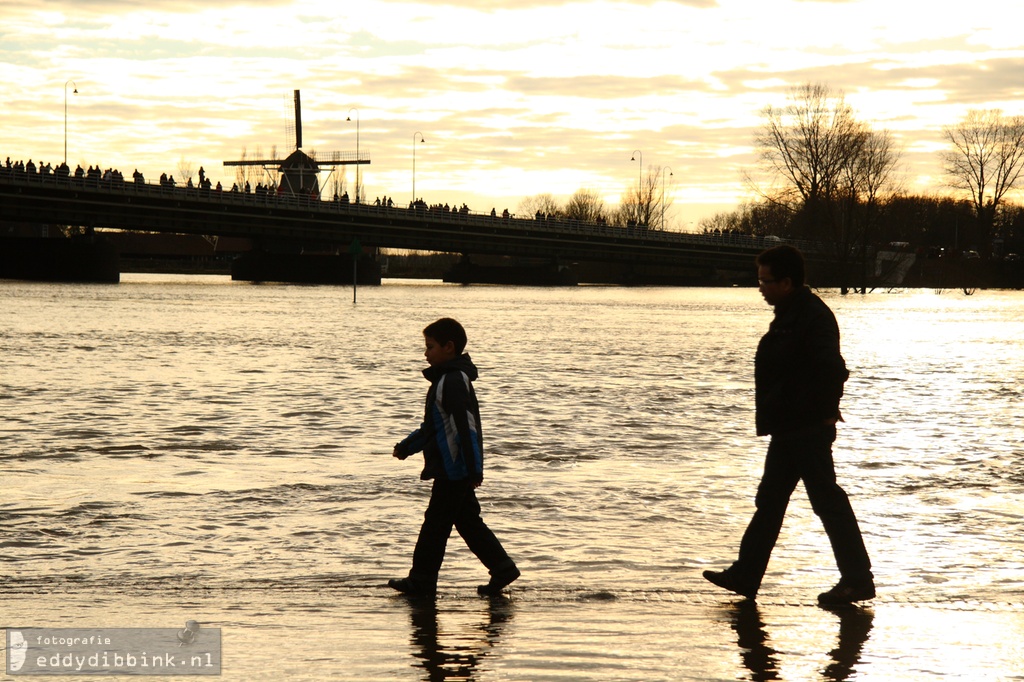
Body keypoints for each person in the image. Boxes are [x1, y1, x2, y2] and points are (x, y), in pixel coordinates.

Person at [703, 244, 875, 606]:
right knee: (771, 502)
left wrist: (825, 412)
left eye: (765, 281)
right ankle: (746, 575)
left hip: (807, 428)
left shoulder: (812, 316)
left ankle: (858, 580)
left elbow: (833, 369)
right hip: (789, 428)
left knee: (827, 502)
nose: (760, 287)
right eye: (759, 280)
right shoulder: (789, 313)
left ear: (787, 281)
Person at [389, 318, 520, 598]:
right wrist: (407, 446)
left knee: (435, 524)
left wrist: (474, 470)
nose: (426, 353)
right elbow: (434, 427)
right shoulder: (445, 380)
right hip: (454, 468)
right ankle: (502, 568)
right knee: (468, 522)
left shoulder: (453, 381)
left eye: (430, 347)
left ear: (449, 347)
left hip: (455, 469)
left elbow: (465, 426)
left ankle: (421, 581)